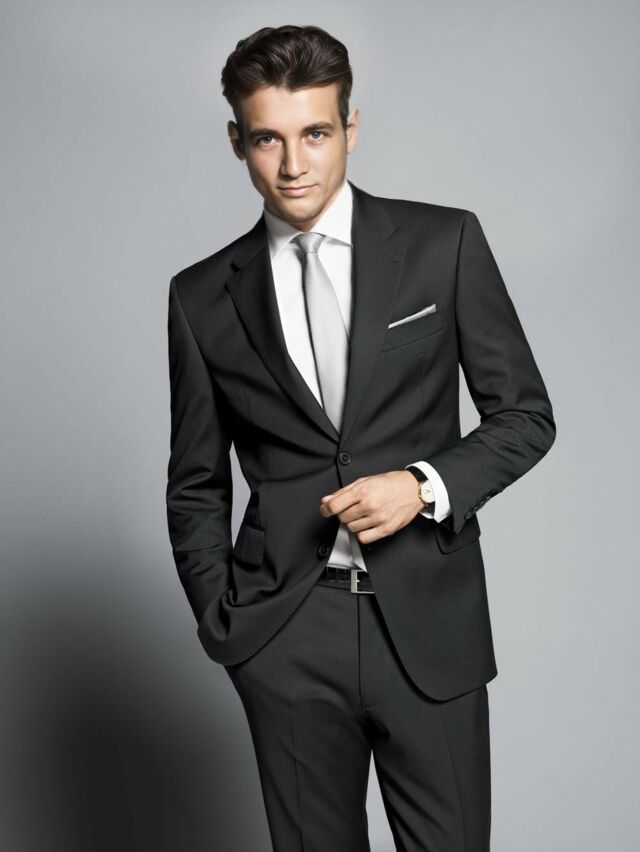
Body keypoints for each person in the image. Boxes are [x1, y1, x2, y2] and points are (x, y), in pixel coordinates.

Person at [165, 24, 556, 852]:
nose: (293, 164)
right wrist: (226, 626)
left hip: (429, 625)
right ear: (237, 141)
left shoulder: (443, 244)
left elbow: (525, 415)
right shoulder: (200, 298)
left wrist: (421, 487)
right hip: (285, 636)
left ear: (350, 127)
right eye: (267, 139)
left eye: (314, 133)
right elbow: (196, 483)